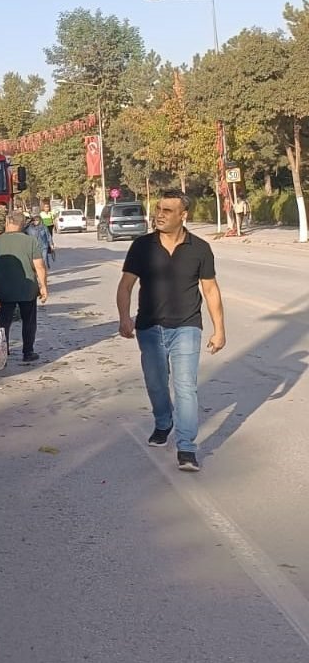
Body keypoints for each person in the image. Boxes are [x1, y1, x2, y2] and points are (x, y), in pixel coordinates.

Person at [116, 189, 225, 473]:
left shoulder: (200, 248)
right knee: (156, 383)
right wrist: (124, 317)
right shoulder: (142, 247)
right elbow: (126, 285)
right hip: (149, 327)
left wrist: (219, 329)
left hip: (187, 326)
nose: (159, 215)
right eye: (158, 209)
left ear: (183, 215)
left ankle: (187, 447)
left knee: (186, 386)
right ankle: (163, 422)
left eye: (167, 210)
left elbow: (210, 290)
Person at [0, 211, 48, 362]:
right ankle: (28, 352)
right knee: (29, 321)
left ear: (7, 222)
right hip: (27, 289)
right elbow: (40, 266)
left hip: (3, 290)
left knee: (3, 322)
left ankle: (3, 351)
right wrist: (43, 287)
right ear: (22, 224)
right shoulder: (30, 241)